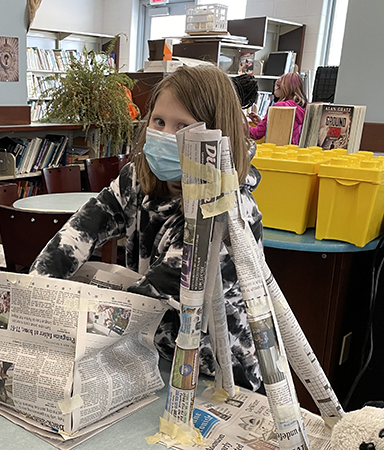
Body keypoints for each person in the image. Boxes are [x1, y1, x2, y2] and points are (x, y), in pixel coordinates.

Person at [30, 65, 264, 392]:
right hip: (157, 356)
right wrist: (36, 290)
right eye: (159, 122)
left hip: (218, 378)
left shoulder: (227, 212)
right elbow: (80, 231)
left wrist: (54, 323)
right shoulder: (137, 179)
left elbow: (144, 300)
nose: (166, 136)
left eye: (184, 127)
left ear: (217, 138)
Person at [248, 72, 307, 145]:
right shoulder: (298, 109)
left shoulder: (280, 106)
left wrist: (241, 124)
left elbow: (256, 134)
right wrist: (263, 123)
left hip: (276, 151)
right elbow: (282, 132)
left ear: (282, 88)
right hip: (291, 152)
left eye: (276, 85)